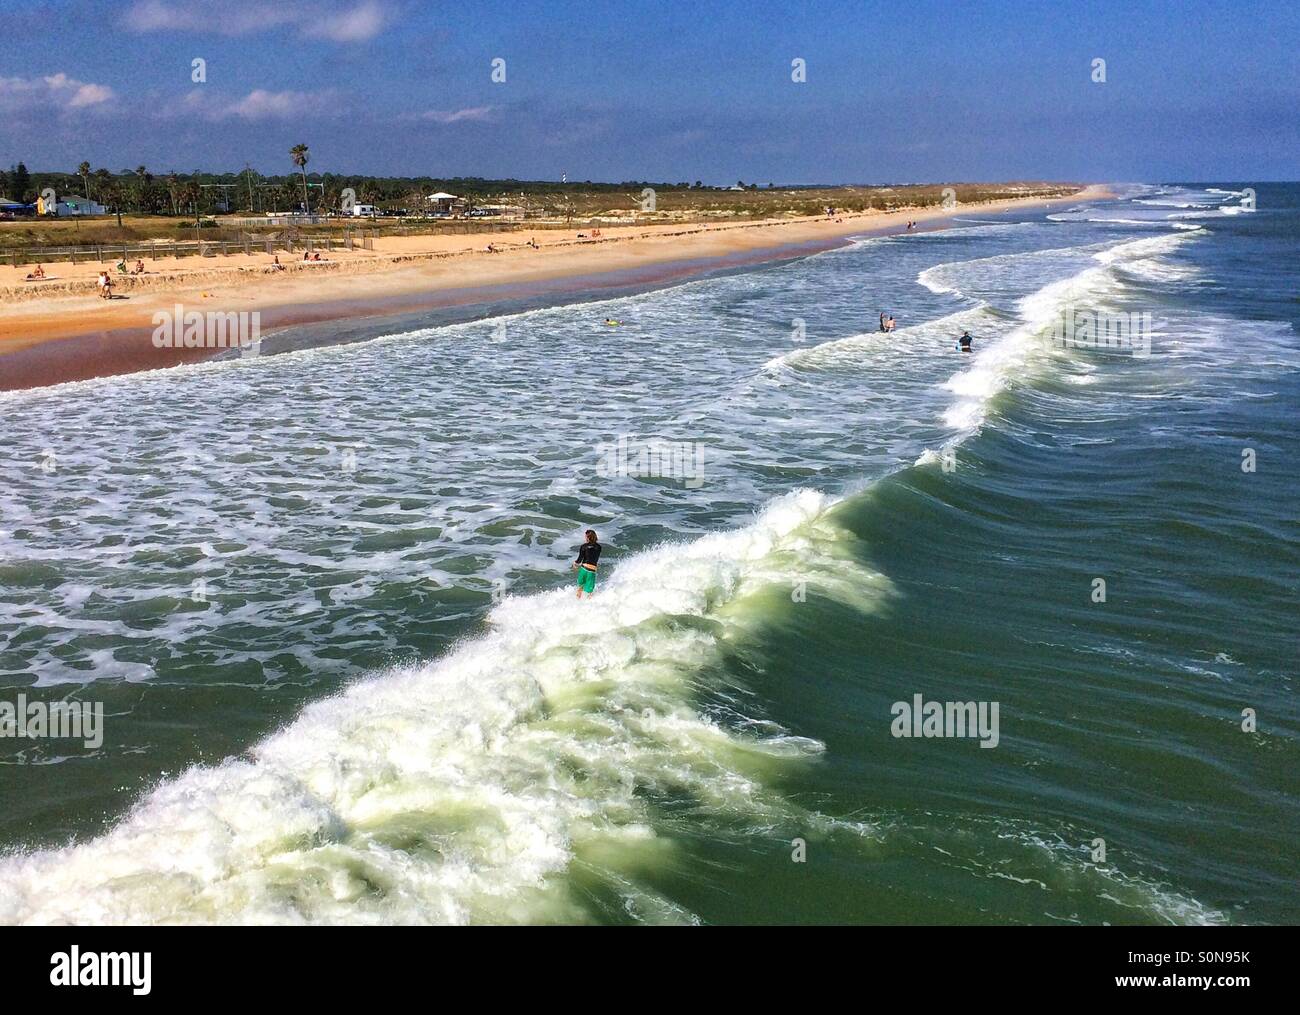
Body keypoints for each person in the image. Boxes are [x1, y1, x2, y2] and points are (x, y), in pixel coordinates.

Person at [571, 529, 602, 598]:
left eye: (585, 536)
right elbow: (594, 557)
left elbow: (579, 560)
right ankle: (588, 606)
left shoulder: (583, 546)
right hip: (592, 571)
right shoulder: (599, 547)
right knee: (589, 592)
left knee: (580, 588)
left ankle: (577, 602)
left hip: (584, 569)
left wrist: (574, 563)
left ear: (588, 537)